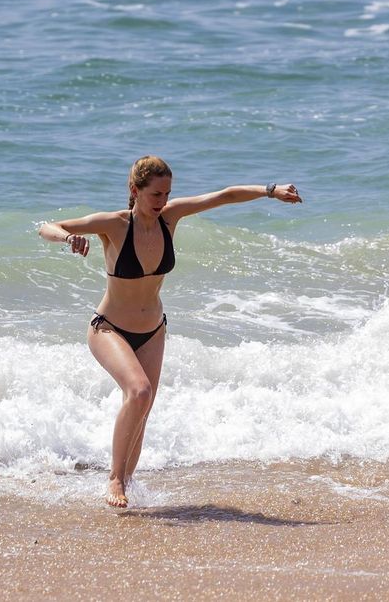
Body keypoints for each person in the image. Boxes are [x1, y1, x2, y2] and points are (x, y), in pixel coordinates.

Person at [37, 155, 301, 508]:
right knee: (140, 392)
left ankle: (127, 486)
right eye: (155, 195)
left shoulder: (169, 218)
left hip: (153, 331)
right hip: (108, 328)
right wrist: (68, 239)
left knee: (141, 410)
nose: (162, 202)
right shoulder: (114, 225)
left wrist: (270, 191)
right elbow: (47, 226)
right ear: (135, 190)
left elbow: (223, 196)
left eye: (167, 194)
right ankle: (114, 479)